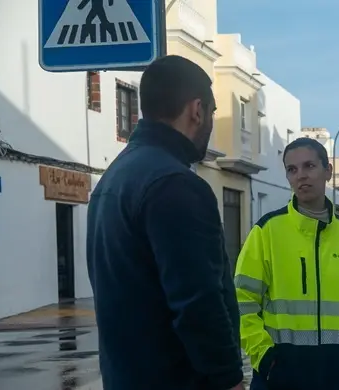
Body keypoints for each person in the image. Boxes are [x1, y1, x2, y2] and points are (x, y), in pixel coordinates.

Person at [86, 55, 244, 390]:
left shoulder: (114, 178)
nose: (211, 122)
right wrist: (229, 379)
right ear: (197, 109)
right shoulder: (175, 184)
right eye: (213, 112)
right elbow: (198, 302)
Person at [235, 137, 339, 390]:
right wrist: (265, 356)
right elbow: (241, 301)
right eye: (292, 170)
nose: (300, 176)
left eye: (309, 166)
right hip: (281, 377)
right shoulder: (266, 232)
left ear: (328, 171)